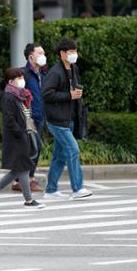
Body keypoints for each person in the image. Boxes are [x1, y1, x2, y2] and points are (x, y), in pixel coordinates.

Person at [0, 67, 46, 209]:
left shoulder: (20, 95)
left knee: (19, 169)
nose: (22, 81)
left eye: (22, 77)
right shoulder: (9, 97)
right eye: (19, 78)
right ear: (11, 81)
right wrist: (20, 133)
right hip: (16, 138)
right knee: (23, 168)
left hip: (23, 136)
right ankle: (28, 200)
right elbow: (9, 119)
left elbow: (25, 116)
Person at [42, 38, 92, 200]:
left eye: (74, 51)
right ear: (62, 54)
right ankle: (77, 188)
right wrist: (69, 95)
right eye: (70, 52)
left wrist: (76, 94)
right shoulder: (55, 72)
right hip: (57, 120)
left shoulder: (74, 68)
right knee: (73, 150)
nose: (73, 55)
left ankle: (51, 190)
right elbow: (46, 94)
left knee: (59, 156)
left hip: (69, 118)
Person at [12, 43, 47, 192]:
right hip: (28, 118)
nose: (43, 56)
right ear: (31, 57)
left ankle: (20, 180)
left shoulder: (44, 73)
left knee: (34, 149)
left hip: (41, 116)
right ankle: (26, 179)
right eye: (40, 53)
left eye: (43, 53)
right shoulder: (23, 74)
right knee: (33, 147)